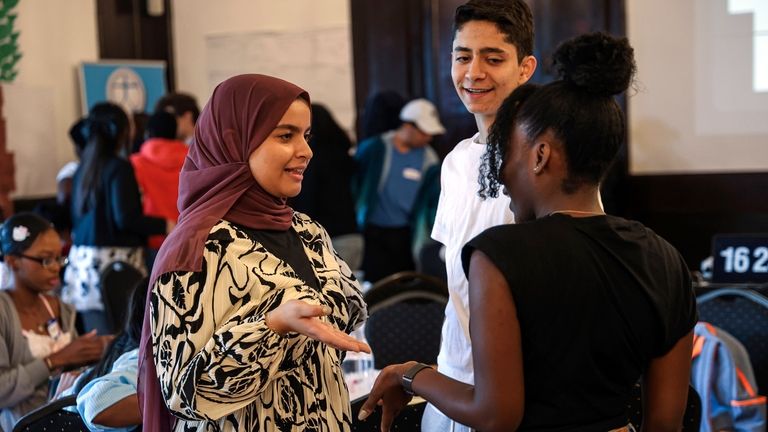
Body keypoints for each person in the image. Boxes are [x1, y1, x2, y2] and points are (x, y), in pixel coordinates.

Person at [360, 32, 697, 432]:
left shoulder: (499, 255)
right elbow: (665, 421)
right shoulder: (665, 259)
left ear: (540, 157)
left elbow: (495, 415)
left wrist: (411, 373)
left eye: (509, 156)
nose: (501, 174)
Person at [138, 74, 370, 432]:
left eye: (306, 136)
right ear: (236, 141)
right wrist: (271, 327)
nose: (306, 151)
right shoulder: (198, 246)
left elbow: (342, 320)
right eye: (285, 135)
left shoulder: (305, 230)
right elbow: (183, 393)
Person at [425, 1, 537, 429]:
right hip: (453, 374)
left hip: (523, 388)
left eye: (493, 58)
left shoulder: (544, 157)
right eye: (462, 56)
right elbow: (454, 271)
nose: (473, 73)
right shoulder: (454, 161)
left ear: (525, 67)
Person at [62, 102, 173, 335]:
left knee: (97, 342)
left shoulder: (83, 167)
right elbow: (126, 218)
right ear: (121, 131)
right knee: (122, 344)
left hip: (83, 265)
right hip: (114, 267)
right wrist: (165, 224)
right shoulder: (119, 167)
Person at [0, 212, 112, 431]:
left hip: (68, 419)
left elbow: (71, 369)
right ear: (13, 261)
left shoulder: (58, 307)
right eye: (45, 259)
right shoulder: (3, 312)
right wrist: (56, 359)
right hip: (23, 426)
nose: (55, 267)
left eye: (59, 257)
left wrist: (96, 351)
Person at [354, 98, 444, 283]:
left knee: (403, 285)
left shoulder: (430, 159)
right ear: (408, 126)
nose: (429, 138)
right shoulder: (375, 148)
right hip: (372, 233)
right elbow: (355, 182)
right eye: (425, 132)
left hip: (405, 235)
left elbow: (432, 200)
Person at [289, 104, 362, 271]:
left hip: (328, 239)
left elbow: (307, 199)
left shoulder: (313, 160)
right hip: (354, 235)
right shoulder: (344, 155)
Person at [129, 111, 188, 254]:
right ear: (175, 132)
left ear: (148, 133)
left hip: (153, 242)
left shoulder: (135, 163)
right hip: (188, 239)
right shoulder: (193, 159)